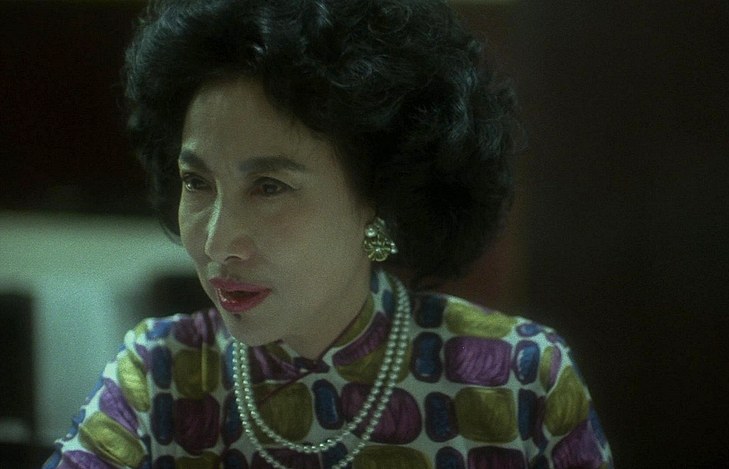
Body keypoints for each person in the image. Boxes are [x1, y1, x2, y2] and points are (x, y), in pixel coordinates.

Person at [44, 1, 613, 468]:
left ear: (379, 195)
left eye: (269, 187)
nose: (217, 242)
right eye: (197, 182)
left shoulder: (519, 379)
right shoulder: (159, 376)